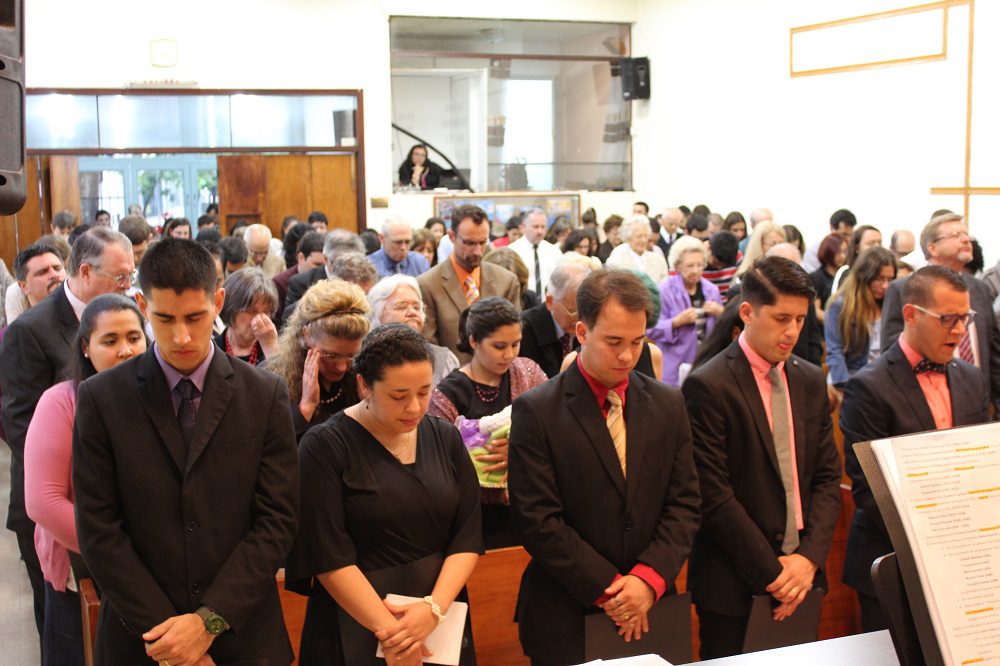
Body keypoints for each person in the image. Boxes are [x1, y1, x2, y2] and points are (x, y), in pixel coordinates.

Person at [72, 238, 299, 665]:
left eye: (195, 317)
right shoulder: (102, 398)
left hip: (242, 633)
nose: (181, 336)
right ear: (142, 305)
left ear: (218, 302)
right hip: (142, 637)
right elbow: (99, 531)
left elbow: (277, 521)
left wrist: (207, 623)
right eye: (164, 318)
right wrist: (173, 641)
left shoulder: (263, 393)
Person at [508, 269, 701, 666]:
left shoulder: (667, 404)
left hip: (652, 604)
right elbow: (537, 520)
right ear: (582, 332)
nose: (628, 356)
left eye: (637, 341)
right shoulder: (538, 410)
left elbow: (685, 504)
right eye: (614, 342)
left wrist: (647, 580)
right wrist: (612, 589)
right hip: (567, 612)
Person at [286, 324, 482, 665]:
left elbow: (467, 535)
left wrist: (433, 609)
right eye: (398, 396)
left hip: (437, 616)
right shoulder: (323, 446)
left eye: (424, 392)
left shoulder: (444, 437)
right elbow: (326, 554)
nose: (414, 407)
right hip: (355, 618)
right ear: (364, 385)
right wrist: (395, 635)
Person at [682, 256, 842, 659]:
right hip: (734, 581)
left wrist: (807, 560)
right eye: (781, 318)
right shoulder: (709, 385)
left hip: (803, 576)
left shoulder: (808, 378)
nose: (792, 332)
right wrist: (775, 575)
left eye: (800, 320)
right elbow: (714, 497)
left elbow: (827, 478)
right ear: (747, 312)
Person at [0, 226, 134, 643]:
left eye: (130, 276)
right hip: (55, 503)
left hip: (115, 510)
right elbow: (21, 426)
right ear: (87, 271)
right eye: (120, 276)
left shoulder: (129, 313)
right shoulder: (31, 328)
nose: (127, 285)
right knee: (64, 630)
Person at [840, 265, 990, 633]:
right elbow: (871, 492)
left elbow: (982, 466)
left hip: (965, 564)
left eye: (965, 317)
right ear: (911, 314)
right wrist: (936, 545)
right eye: (948, 319)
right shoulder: (869, 387)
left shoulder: (971, 378)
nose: (960, 330)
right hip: (893, 561)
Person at [24, 294, 147, 666]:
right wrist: (118, 553)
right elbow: (43, 502)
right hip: (83, 569)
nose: (125, 350)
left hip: (152, 572)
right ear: (85, 347)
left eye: (134, 337)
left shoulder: (159, 398)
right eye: (110, 340)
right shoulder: (61, 402)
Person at [428, 297, 548, 549]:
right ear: (474, 341)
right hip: (473, 514)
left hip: (528, 505)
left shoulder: (528, 372)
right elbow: (436, 458)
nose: (510, 354)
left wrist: (518, 452)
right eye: (499, 346)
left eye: (516, 344)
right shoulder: (447, 393)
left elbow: (554, 429)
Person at [881, 212, 1000, 412]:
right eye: (955, 235)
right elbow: (892, 350)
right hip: (921, 402)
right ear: (932, 248)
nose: (966, 239)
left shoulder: (980, 288)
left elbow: (994, 351)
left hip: (976, 401)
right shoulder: (904, 289)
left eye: (966, 234)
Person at [417, 205, 521, 363]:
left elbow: (515, 338)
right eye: (470, 243)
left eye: (483, 242)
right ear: (451, 236)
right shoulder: (428, 284)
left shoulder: (506, 281)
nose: (478, 251)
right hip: (450, 375)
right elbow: (431, 349)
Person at [269, 279, 369, 440]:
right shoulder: (272, 379)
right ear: (306, 335)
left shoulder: (363, 373)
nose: (342, 367)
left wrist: (368, 406)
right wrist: (306, 407)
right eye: (331, 355)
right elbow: (272, 445)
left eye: (351, 355)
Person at [647, 236, 723, 386]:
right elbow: (650, 329)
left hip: (706, 361)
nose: (696, 270)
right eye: (690, 266)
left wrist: (721, 312)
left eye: (700, 265)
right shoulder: (664, 291)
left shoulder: (712, 290)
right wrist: (676, 322)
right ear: (677, 266)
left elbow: (723, 329)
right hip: (675, 364)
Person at [824, 247, 896, 401]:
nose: (885, 286)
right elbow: (835, 351)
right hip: (850, 379)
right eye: (879, 279)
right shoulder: (840, 306)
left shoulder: (891, 304)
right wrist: (846, 387)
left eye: (890, 279)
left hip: (883, 381)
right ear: (864, 277)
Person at [367, 274, 459, 386]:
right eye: (401, 306)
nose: (412, 312)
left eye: (416, 307)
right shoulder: (365, 360)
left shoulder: (445, 360)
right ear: (377, 314)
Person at [519, 262, 592, 378]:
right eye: (573, 311)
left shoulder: (592, 324)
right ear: (550, 301)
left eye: (586, 311)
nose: (580, 319)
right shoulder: (525, 329)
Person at [283, 229, 366, 321]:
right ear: (325, 259)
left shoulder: (364, 278)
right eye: (339, 263)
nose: (346, 269)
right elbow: (288, 320)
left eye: (353, 264)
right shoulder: (301, 282)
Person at [215, 267, 280, 365]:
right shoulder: (212, 351)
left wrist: (272, 351)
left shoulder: (274, 350)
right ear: (231, 309)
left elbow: (281, 374)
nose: (260, 319)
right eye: (251, 311)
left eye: (267, 311)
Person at [273, 229, 326, 328]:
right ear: (301, 258)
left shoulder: (326, 278)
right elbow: (278, 323)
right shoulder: (279, 282)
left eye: (324, 265)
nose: (321, 269)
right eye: (317, 265)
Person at [509, 208, 563, 299]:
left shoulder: (554, 251)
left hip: (548, 304)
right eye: (535, 227)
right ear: (522, 228)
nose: (540, 231)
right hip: (521, 303)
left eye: (543, 227)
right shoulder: (512, 251)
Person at [7, 243, 66, 325]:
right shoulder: (21, 330)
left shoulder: (82, 314)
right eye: (43, 272)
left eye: (57, 268)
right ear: (24, 286)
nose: (54, 275)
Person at [606, 215, 669, 284]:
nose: (643, 240)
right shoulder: (616, 262)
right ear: (628, 237)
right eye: (639, 236)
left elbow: (665, 286)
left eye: (645, 236)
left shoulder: (659, 261)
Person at [808, 233, 848, 313]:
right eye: (838, 252)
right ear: (828, 252)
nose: (842, 256)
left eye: (845, 252)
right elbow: (816, 311)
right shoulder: (816, 278)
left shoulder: (846, 275)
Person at [703, 231, 740, 303]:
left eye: (724, 266)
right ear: (709, 249)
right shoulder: (697, 263)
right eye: (716, 263)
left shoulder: (737, 257)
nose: (719, 268)